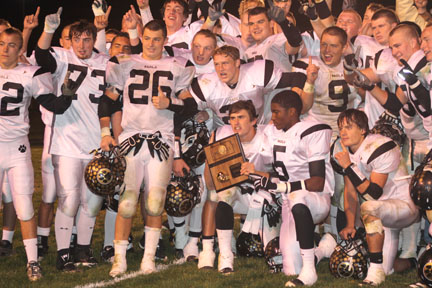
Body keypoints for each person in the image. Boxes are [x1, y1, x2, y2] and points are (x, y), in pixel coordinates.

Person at [99, 19, 196, 277]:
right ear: (141, 38)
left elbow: (191, 107)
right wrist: (105, 133)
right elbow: (106, 101)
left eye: (157, 39)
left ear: (165, 40)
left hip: (161, 141)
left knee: (154, 201)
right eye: (148, 38)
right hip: (131, 139)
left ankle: (148, 257)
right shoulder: (124, 63)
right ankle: (118, 259)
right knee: (128, 202)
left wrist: (170, 103)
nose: (152, 44)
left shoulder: (178, 66)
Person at [35, 9, 111, 271]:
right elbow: (42, 56)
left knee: (91, 201)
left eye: (87, 39)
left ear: (94, 40)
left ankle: (82, 249)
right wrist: (48, 30)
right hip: (66, 142)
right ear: (70, 40)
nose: (81, 44)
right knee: (68, 198)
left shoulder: (105, 62)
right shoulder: (63, 58)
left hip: (94, 143)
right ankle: (63, 253)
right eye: (77, 39)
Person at [0, 27, 76, 281]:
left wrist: (66, 95)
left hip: (17, 148)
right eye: (1, 43)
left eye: (12, 45)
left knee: (24, 205)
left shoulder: (30, 74)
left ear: (20, 48)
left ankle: (33, 261)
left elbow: (53, 105)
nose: (5, 48)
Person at [248, 90, 335, 286]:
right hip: (290, 198)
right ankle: (323, 248)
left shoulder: (312, 131)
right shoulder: (272, 132)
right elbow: (279, 172)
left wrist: (278, 186)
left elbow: (317, 181)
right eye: (272, 112)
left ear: (293, 112)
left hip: (315, 199)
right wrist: (258, 176)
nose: (273, 117)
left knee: (297, 197)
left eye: (278, 112)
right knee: (291, 268)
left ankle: (310, 273)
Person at [334, 109, 419, 285]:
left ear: (363, 129)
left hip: (403, 207)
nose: (343, 132)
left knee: (369, 207)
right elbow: (350, 191)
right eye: (341, 127)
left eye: (349, 127)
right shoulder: (346, 151)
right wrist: (350, 224)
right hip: (384, 212)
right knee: (387, 268)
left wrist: (349, 166)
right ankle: (413, 261)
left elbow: (373, 193)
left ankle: (374, 273)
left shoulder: (379, 146)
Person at [199, 100, 275, 273]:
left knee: (277, 255)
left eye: (241, 117)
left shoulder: (269, 136)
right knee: (219, 193)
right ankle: (224, 255)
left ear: (254, 120)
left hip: (268, 200)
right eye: (232, 118)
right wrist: (211, 160)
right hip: (239, 195)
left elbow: (283, 177)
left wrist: (256, 172)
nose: (236, 122)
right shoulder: (222, 135)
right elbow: (211, 184)